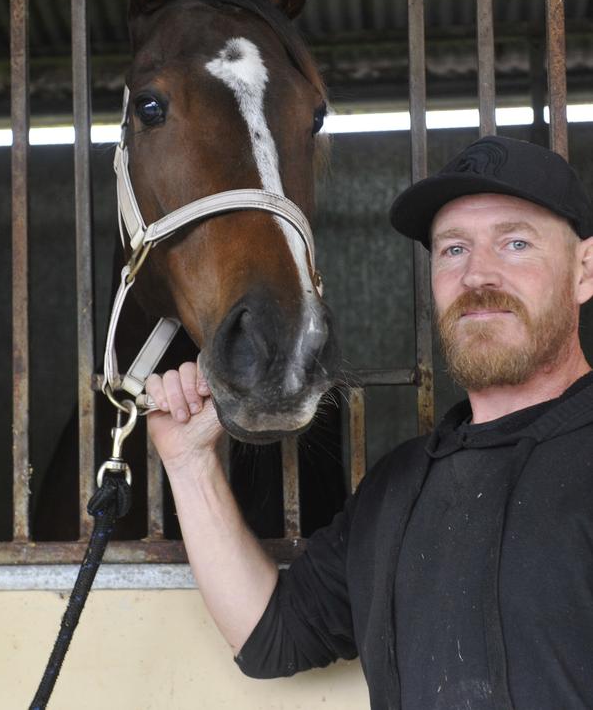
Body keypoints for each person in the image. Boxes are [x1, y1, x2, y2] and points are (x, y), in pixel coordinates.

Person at [145, 135, 593, 710]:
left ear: (583, 271)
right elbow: (272, 637)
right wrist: (188, 465)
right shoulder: (397, 487)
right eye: (453, 250)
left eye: (515, 243)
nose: (479, 275)